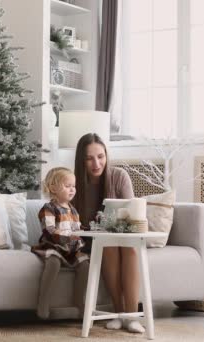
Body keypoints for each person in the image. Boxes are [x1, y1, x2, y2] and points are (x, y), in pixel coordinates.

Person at [72, 133, 145, 333]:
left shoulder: (119, 176)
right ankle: (118, 312)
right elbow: (73, 222)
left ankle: (131, 317)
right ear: (81, 160)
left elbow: (132, 214)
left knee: (129, 248)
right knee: (110, 246)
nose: (96, 163)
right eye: (89, 158)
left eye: (100, 156)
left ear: (106, 155)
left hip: (123, 236)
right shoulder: (75, 183)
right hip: (94, 241)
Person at [32, 167, 90, 319]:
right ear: (53, 188)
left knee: (85, 265)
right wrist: (67, 239)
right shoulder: (49, 208)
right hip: (54, 245)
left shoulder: (73, 210)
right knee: (53, 261)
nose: (72, 189)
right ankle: (43, 302)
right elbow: (49, 231)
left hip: (71, 248)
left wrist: (88, 231)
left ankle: (79, 302)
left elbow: (77, 229)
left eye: (73, 186)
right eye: (67, 186)